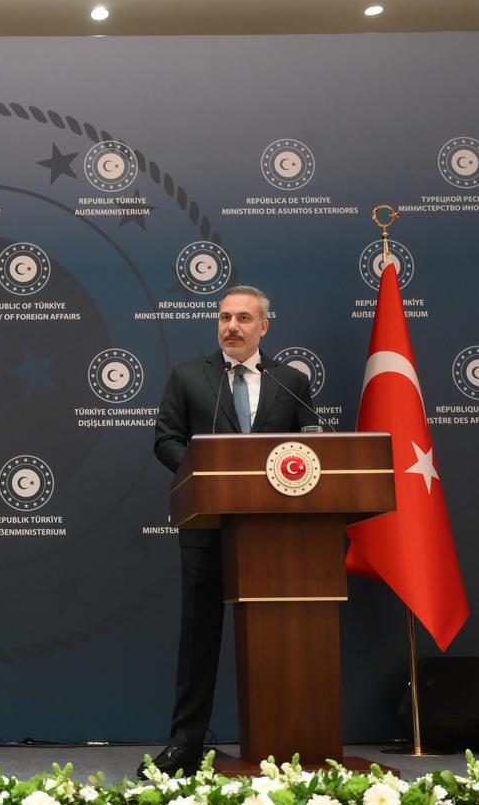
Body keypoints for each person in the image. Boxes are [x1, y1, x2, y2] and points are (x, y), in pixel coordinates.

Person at [143, 285, 317, 777]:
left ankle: (285, 742)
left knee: (281, 638)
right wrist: (206, 476)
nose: (232, 327)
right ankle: (185, 745)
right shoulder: (189, 377)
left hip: (274, 533)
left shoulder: (289, 381)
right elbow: (166, 439)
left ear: (264, 326)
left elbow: (310, 444)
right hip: (208, 528)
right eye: (224, 317)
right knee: (198, 640)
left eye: (243, 318)